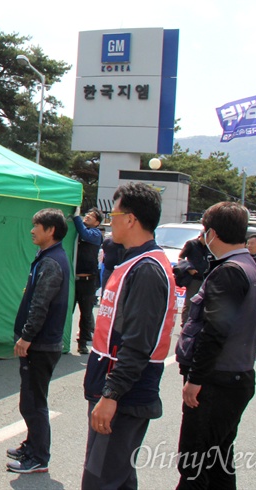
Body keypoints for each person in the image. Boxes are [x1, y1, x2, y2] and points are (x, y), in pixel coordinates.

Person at [82, 182, 176, 490]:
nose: (111, 222)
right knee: (118, 479)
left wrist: (111, 395)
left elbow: (137, 342)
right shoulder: (134, 261)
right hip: (117, 389)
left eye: (116, 214)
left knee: (100, 480)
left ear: (132, 219)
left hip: (125, 396)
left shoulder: (147, 268)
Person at [175, 202, 256, 488]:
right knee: (218, 463)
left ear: (212, 232)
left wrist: (195, 379)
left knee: (193, 465)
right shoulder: (249, 267)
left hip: (217, 382)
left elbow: (213, 332)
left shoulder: (228, 271)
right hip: (236, 377)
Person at [6, 208, 71, 474]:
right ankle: (31, 445)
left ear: (51, 230)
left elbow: (40, 305)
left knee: (33, 402)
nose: (32, 230)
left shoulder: (52, 261)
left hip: (41, 344)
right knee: (30, 400)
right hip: (41, 343)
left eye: (37, 226)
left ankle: (38, 457)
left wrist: (26, 337)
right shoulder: (46, 257)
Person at [72, 208, 103, 354]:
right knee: (66, 311)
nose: (88, 216)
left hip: (88, 280)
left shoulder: (95, 234)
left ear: (97, 223)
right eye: (88, 214)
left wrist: (76, 217)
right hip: (73, 279)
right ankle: (60, 339)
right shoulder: (76, 231)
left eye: (92, 216)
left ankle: (82, 343)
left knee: (85, 313)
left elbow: (85, 234)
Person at [172, 237, 212, 326]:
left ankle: (196, 324)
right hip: (194, 278)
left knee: (203, 303)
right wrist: (189, 268)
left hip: (205, 278)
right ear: (202, 236)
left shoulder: (209, 247)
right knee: (190, 303)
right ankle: (185, 324)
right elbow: (180, 257)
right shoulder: (191, 244)